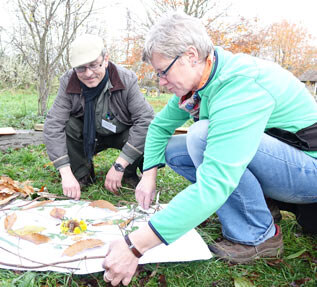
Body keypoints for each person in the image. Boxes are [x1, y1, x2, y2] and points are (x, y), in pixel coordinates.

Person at [101, 12, 317, 286]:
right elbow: (159, 128)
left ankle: (258, 236)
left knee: (201, 135)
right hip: (282, 162)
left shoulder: (239, 84)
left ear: (190, 56)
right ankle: (260, 207)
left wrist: (134, 246)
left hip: (309, 170)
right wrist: (149, 174)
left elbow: (215, 183)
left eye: (162, 72)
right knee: (176, 150)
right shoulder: (204, 81)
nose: (161, 82)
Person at [43, 34, 154, 200]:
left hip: (121, 132)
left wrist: (120, 165)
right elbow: (53, 125)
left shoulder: (126, 79)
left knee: (145, 133)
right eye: (81, 68)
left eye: (94, 65)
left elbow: (146, 120)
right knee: (69, 125)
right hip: (89, 135)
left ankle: (128, 173)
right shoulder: (68, 81)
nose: (88, 73)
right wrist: (65, 172)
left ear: (106, 59)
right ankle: (82, 174)